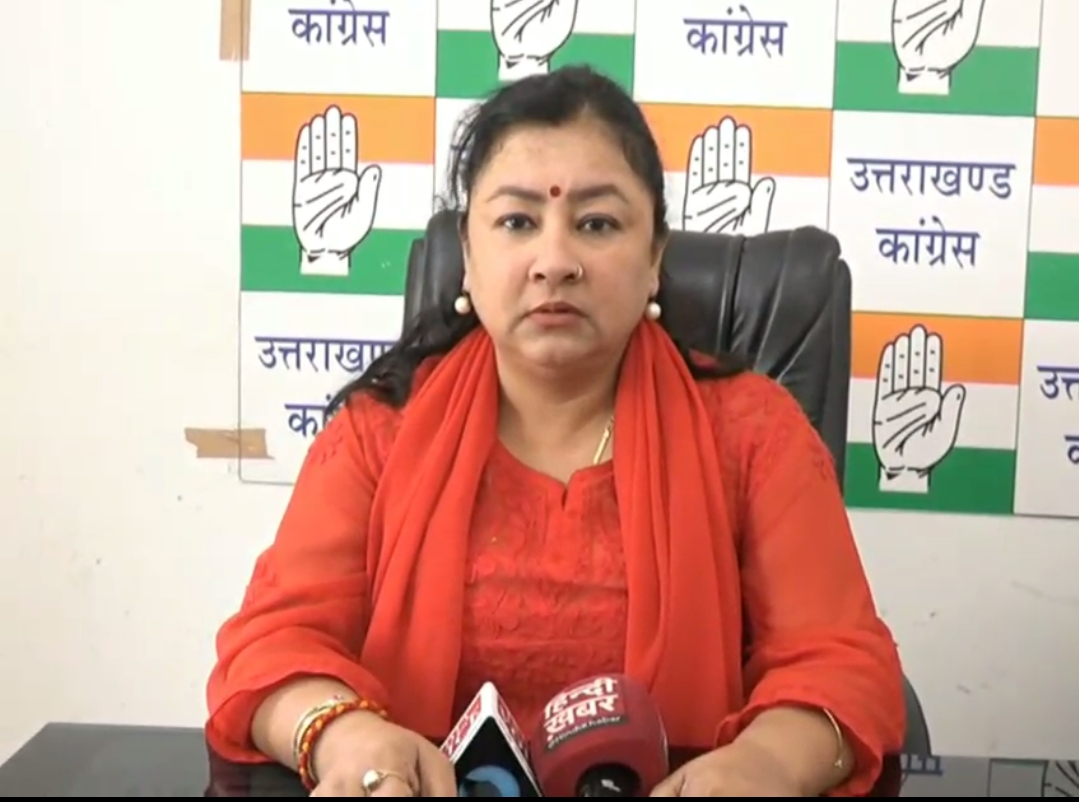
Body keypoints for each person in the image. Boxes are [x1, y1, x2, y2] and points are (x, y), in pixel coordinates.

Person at [206, 65, 906, 797]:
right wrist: (348, 737)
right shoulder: (379, 432)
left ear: (655, 258)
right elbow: (270, 649)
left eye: (597, 224)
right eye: (517, 222)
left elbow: (841, 666)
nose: (555, 262)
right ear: (468, 257)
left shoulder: (752, 432)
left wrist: (763, 764)